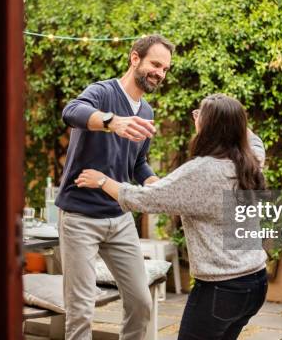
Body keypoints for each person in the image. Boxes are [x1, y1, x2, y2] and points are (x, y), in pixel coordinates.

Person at [75, 94, 269, 340]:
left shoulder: (202, 170)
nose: (195, 118)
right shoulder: (250, 160)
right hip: (255, 283)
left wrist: (103, 181)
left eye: (200, 114)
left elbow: (143, 199)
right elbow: (256, 141)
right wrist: (232, 119)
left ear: (211, 127)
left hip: (221, 289)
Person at [55, 34, 174, 340]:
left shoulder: (146, 112)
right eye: (155, 64)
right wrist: (111, 121)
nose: (160, 73)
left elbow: (138, 163)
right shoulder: (103, 92)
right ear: (135, 58)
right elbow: (71, 112)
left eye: (165, 69)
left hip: (119, 218)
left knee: (140, 301)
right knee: (80, 310)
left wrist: (154, 183)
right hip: (80, 216)